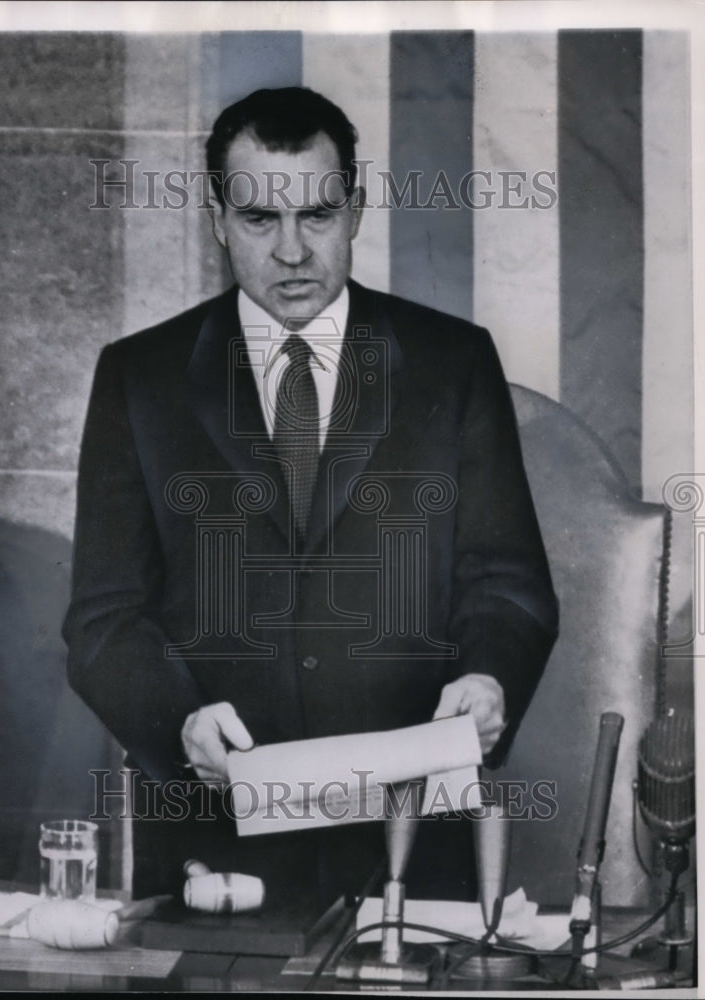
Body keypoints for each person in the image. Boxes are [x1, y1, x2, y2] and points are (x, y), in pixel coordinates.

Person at [63, 87, 558, 905]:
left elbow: (507, 583)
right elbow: (102, 620)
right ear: (217, 219)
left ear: (356, 210)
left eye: (318, 217)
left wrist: (489, 679)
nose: (292, 251)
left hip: (411, 838)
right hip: (211, 843)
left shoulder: (454, 362)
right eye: (260, 220)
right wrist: (181, 727)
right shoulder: (137, 378)